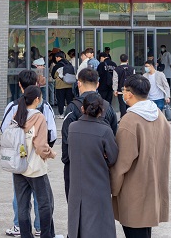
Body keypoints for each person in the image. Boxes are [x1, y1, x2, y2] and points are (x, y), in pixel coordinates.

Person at [111, 74, 171, 238]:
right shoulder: (158, 114)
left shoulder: (130, 120)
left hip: (133, 192)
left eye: (124, 90)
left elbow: (122, 163)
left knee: (134, 232)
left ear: (129, 94)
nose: (123, 93)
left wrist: (113, 188)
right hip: (154, 187)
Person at [1, 70, 58, 236]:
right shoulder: (39, 116)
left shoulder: (16, 112)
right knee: (45, 203)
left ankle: (25, 234)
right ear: (37, 99)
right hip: (35, 167)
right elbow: (40, 146)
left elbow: (5, 133)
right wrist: (50, 153)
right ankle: (45, 233)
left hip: (19, 165)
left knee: (22, 204)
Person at [67, 93, 119, 238]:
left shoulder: (72, 127)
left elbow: (71, 153)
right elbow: (113, 158)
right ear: (101, 111)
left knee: (77, 225)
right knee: (99, 227)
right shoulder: (105, 130)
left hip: (76, 186)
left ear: (82, 108)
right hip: (98, 184)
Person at [62, 68, 118, 199]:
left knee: (76, 205)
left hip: (76, 167)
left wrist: (67, 161)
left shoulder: (72, 108)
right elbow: (114, 137)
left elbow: (66, 139)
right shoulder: (108, 107)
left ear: (79, 83)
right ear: (98, 84)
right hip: (100, 167)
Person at [51, 51, 75, 118]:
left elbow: (53, 75)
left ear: (59, 57)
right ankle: (70, 113)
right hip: (69, 84)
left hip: (60, 85)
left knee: (60, 100)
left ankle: (61, 114)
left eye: (56, 57)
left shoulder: (57, 65)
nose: (56, 59)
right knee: (69, 99)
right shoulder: (69, 63)